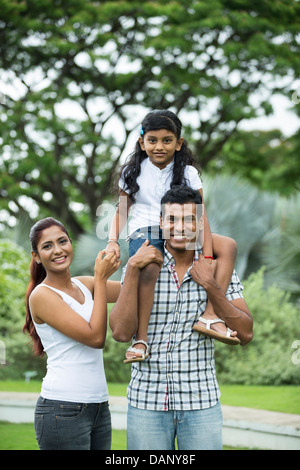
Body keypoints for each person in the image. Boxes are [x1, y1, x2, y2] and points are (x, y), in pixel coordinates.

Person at [109, 186, 253, 450]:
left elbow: (246, 333)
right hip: (147, 403)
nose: (180, 227)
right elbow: (119, 333)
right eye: (172, 219)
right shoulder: (144, 264)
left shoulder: (215, 267)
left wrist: (211, 286)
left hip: (201, 404)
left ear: (200, 223)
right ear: (162, 222)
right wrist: (130, 268)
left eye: (189, 219)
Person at [106, 109, 239, 364]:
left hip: (184, 228)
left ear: (178, 143)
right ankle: (141, 339)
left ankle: (210, 317)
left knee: (229, 247)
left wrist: (208, 254)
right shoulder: (131, 172)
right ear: (141, 142)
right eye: (152, 140)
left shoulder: (188, 172)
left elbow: (201, 215)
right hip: (147, 228)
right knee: (150, 264)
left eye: (167, 140)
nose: (159, 146)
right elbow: (122, 211)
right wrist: (113, 240)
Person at [23, 217, 121, 450]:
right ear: (36, 256)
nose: (57, 250)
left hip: (98, 407)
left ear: (70, 244)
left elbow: (133, 290)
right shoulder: (41, 295)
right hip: (62, 409)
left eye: (62, 241)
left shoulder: (85, 285)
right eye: (47, 246)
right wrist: (100, 278)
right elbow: (96, 338)